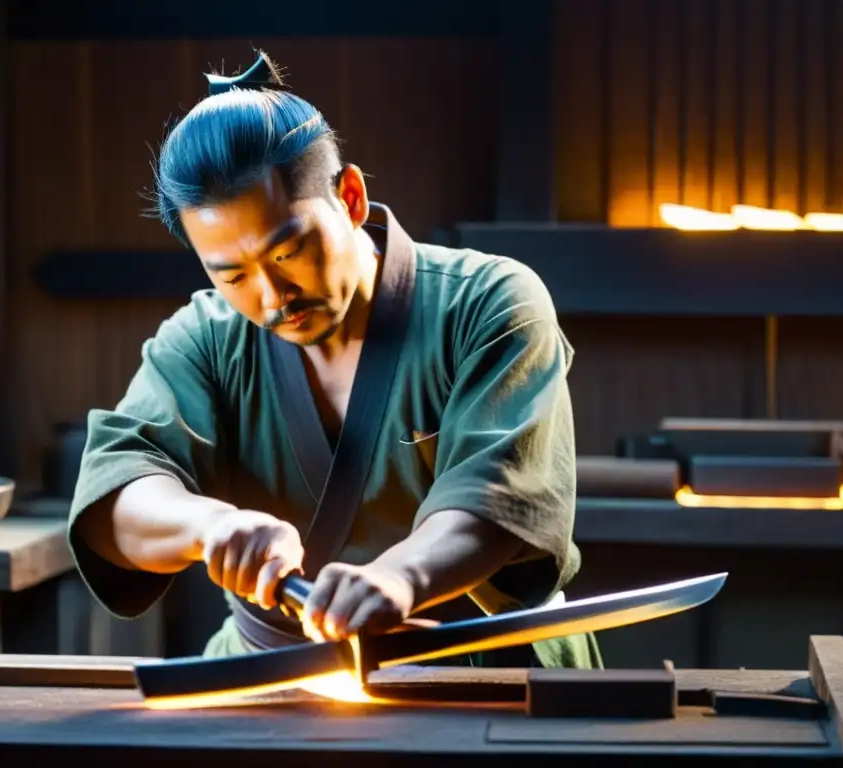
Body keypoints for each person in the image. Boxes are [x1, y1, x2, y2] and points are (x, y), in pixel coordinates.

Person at [68, 52, 602, 669]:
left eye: (290, 252)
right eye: (232, 274)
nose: (272, 297)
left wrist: (401, 577)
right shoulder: (205, 338)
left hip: (488, 666)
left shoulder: (490, 302)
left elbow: (503, 501)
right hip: (272, 673)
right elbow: (119, 491)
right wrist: (209, 527)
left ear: (350, 197)